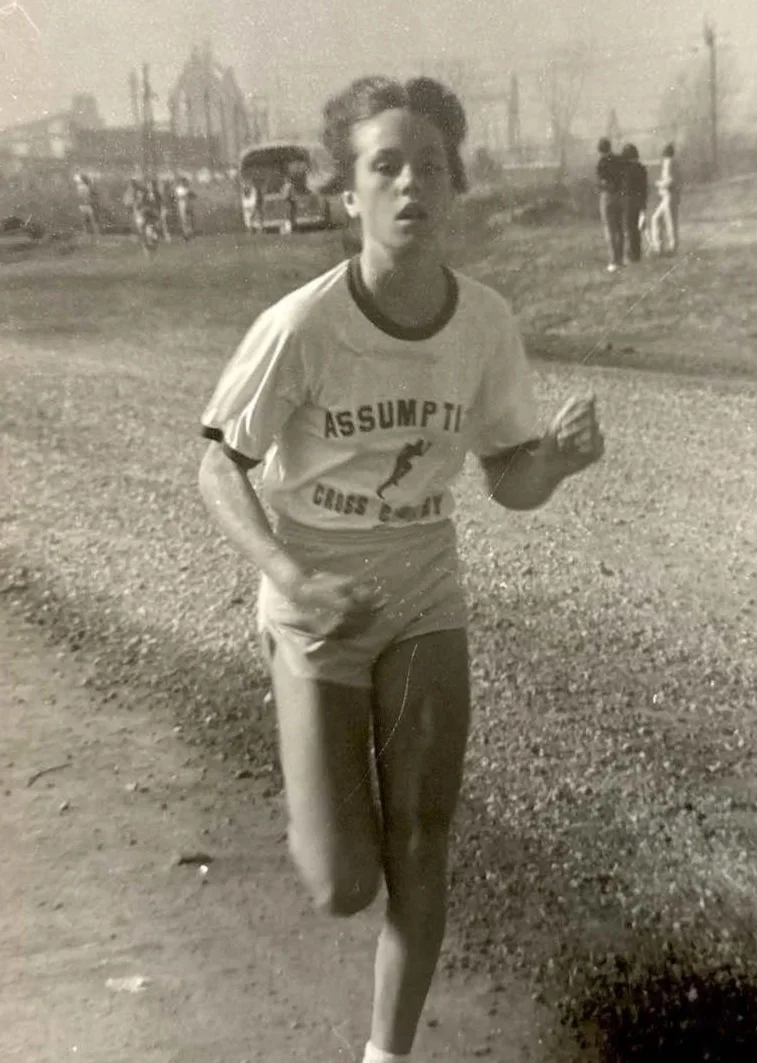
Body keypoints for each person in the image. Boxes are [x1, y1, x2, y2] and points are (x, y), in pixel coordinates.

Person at [197, 75, 604, 1063]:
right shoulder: (304, 324)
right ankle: (314, 761)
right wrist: (290, 580)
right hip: (316, 606)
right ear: (350, 192)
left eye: (430, 165)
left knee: (423, 835)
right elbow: (218, 463)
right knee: (342, 882)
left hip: (425, 596)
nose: (410, 184)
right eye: (386, 166)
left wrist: (549, 459)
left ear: (454, 186)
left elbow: (507, 482)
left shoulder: (484, 324)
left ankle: (386, 1053)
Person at [596, 137, 625, 272]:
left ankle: (614, 261)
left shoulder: (601, 162)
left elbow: (602, 182)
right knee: (619, 228)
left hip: (607, 197)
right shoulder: (619, 160)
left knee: (610, 229)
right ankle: (621, 258)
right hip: (620, 196)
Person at [650, 142, 681, 255]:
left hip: (669, 195)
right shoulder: (674, 163)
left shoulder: (669, 162)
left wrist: (658, 184)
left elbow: (670, 181)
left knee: (668, 222)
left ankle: (667, 248)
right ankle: (660, 247)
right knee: (657, 219)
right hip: (670, 196)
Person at [620, 143, 648, 263]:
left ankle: (632, 255)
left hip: (628, 200)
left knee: (629, 228)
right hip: (639, 200)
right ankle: (637, 254)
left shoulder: (626, 169)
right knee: (636, 229)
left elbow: (624, 186)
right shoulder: (641, 168)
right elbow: (645, 187)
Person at [174, 175, 197, 240]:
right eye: (183, 182)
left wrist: (189, 195)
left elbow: (194, 196)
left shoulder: (187, 189)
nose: (185, 183)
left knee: (189, 219)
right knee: (184, 219)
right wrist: (186, 195)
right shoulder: (179, 189)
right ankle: (186, 233)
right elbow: (178, 197)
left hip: (188, 204)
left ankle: (189, 232)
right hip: (182, 204)